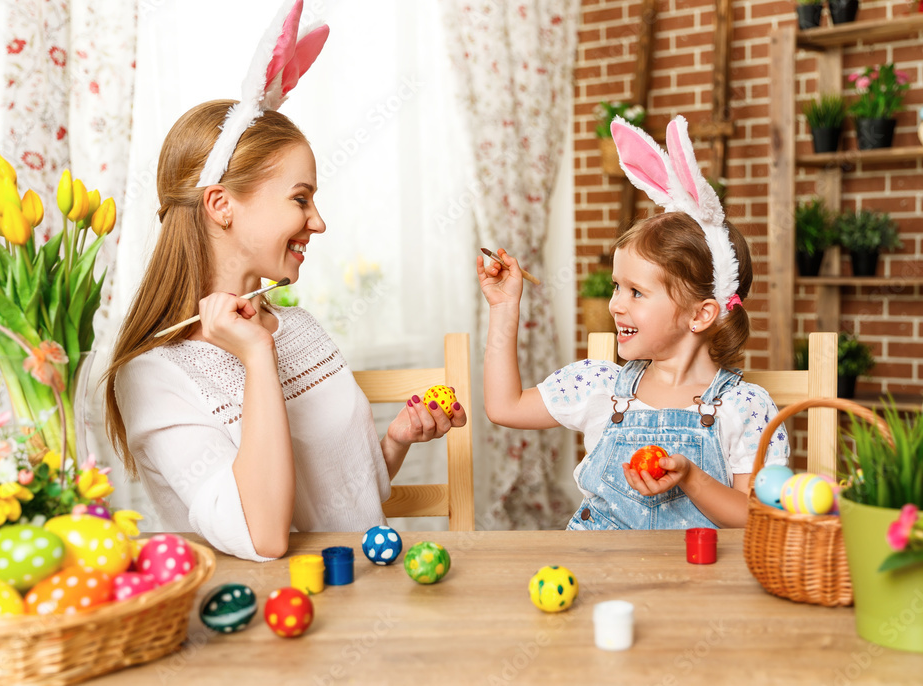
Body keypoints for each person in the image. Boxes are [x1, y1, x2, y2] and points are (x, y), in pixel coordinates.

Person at [103, 2, 465, 562]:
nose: (318, 221)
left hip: (361, 596)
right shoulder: (153, 376)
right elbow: (266, 538)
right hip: (267, 627)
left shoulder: (298, 328)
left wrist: (393, 441)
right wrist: (254, 357)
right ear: (221, 205)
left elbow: (345, 504)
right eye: (301, 198)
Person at [477, 116, 787, 531]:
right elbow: (504, 407)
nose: (614, 305)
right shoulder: (598, 385)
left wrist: (692, 479)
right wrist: (504, 307)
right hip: (599, 575)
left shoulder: (745, 407)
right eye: (616, 287)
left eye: (636, 292)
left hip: (698, 590)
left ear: (700, 314)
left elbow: (758, 520)